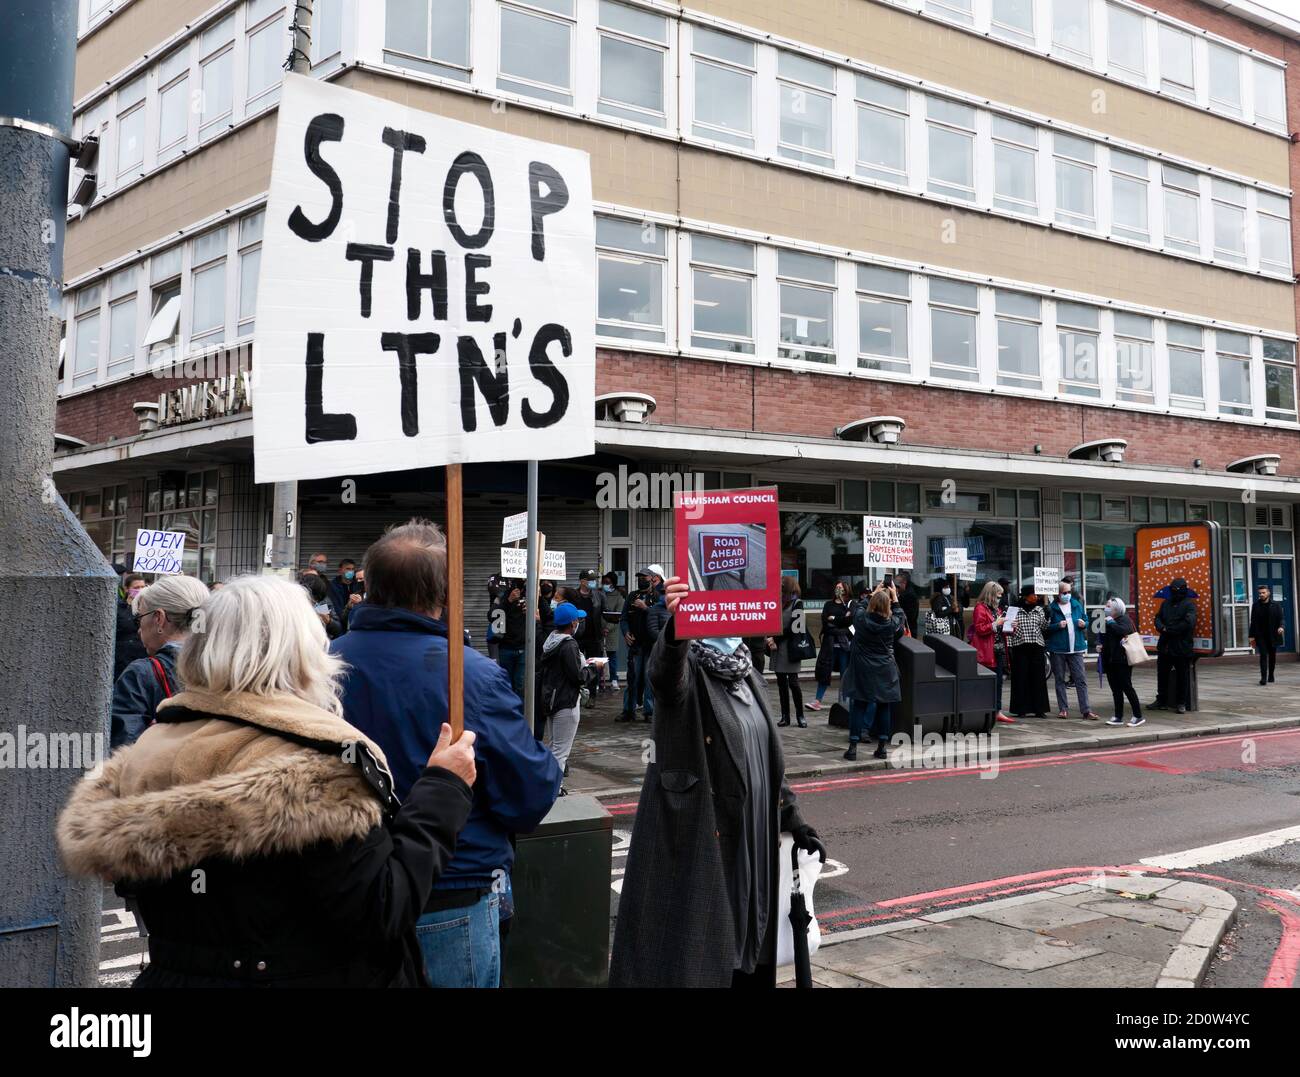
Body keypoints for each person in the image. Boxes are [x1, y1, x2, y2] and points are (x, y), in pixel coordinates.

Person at [58, 574, 477, 988]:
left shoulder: (151, 748)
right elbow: (382, 907)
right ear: (303, 652)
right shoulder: (316, 767)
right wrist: (443, 788)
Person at [330, 520, 561, 988]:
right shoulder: (469, 677)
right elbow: (529, 793)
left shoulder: (317, 664)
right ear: (445, 595)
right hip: (448, 894)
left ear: (368, 585)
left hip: (341, 893)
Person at [609, 576, 826, 988]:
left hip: (755, 846)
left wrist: (794, 819)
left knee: (750, 953)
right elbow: (664, 677)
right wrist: (677, 630)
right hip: (705, 846)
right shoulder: (688, 666)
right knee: (710, 959)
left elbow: (765, 761)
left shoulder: (748, 672)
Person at [109, 575, 210, 750]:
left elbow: (124, 752)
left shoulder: (141, 674)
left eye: (139, 619)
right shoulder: (234, 667)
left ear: (159, 618)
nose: (139, 629)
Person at [841, 585, 907, 760]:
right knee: (884, 706)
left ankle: (853, 748)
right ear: (887, 607)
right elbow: (900, 617)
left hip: (863, 669)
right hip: (885, 669)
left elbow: (859, 607)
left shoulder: (861, 620)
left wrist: (873, 593)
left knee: (860, 705)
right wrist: (895, 598)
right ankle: (882, 748)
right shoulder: (891, 624)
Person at [539, 602, 592, 782]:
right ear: (572, 623)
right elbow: (578, 676)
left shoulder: (551, 641)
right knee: (561, 752)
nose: (579, 623)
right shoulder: (569, 645)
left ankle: (548, 785)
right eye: (577, 620)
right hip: (565, 701)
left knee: (554, 747)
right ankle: (554, 788)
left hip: (553, 699)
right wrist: (594, 668)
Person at [1045, 579, 1100, 720]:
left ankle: (1086, 710)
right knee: (1060, 680)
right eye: (1064, 592)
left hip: (1076, 648)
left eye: (1069, 592)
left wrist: (1084, 624)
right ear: (1058, 594)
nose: (1067, 595)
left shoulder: (1076, 605)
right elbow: (1045, 628)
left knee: (1080, 679)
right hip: (1058, 649)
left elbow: (1085, 620)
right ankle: (1063, 709)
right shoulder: (1052, 608)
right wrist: (1057, 626)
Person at [767, 575, 807, 728]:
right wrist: (768, 638)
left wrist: (775, 639)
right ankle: (785, 716)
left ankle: (800, 715)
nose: (779, 588)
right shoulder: (777, 603)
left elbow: (796, 627)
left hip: (791, 649)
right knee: (781, 684)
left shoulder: (798, 604)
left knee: (794, 683)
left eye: (782, 586)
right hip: (777, 649)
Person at [1153, 577, 1197, 714]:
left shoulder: (1189, 605)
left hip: (1181, 646)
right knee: (1162, 674)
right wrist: (1162, 627)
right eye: (1173, 590)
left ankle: (1181, 703)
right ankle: (1161, 700)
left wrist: (1169, 629)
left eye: (1177, 590)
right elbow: (1157, 618)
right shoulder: (1165, 603)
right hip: (1165, 645)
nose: (1174, 593)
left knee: (1182, 676)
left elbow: (1189, 623)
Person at [1007, 584, 1050, 718]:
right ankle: (1021, 709)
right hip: (1020, 647)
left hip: (1037, 646)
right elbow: (1008, 629)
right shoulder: (1014, 610)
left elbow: (1044, 627)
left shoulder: (1039, 609)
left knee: (1038, 678)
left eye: (1036, 595)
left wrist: (1047, 616)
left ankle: (1039, 709)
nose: (1036, 597)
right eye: (1033, 595)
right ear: (1026, 596)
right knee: (1021, 678)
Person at [1101, 598, 1144, 727]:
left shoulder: (1124, 619)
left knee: (1127, 687)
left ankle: (1138, 716)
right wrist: (1101, 647)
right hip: (1111, 661)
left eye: (1108, 606)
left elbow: (1123, 631)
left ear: (1116, 609)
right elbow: (1108, 640)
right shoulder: (1108, 621)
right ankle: (1118, 716)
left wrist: (1112, 623)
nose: (1106, 608)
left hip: (1122, 661)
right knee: (1116, 689)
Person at [972, 581, 1011, 724]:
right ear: (991, 595)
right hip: (986, 652)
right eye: (998, 595)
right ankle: (985, 711)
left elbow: (1001, 629)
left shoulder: (997, 610)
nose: (1000, 598)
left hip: (998, 651)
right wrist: (996, 624)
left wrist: (1010, 626)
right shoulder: (980, 608)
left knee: (999, 682)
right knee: (986, 684)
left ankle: (997, 711)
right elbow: (980, 629)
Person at [811, 580, 852, 711]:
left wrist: (834, 619)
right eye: (836, 587)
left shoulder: (849, 606)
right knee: (825, 672)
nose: (838, 590)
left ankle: (846, 701)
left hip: (844, 646)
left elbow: (850, 624)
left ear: (846, 590)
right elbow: (826, 624)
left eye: (840, 588)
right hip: (830, 646)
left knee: (845, 674)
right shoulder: (828, 605)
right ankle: (817, 700)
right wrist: (841, 625)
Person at [493, 580, 528, 698]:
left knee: (520, 684)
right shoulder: (502, 598)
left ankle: (519, 713)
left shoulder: (530, 597)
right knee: (506, 683)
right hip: (506, 648)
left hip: (523, 648)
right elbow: (492, 615)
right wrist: (509, 600)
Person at [113, 570, 148, 679]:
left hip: (143, 658)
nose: (140, 590)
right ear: (127, 589)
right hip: (122, 661)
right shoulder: (118, 609)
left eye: (143, 587)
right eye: (137, 587)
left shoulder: (149, 609)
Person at [1249, 584, 1284, 686]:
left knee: (1272, 656)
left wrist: (1281, 627)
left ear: (1268, 593)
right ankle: (1263, 678)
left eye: (1263, 593)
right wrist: (1251, 636)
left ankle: (1271, 675)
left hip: (1273, 634)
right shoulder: (1255, 606)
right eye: (1260, 593)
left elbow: (1281, 618)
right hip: (1260, 635)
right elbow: (1253, 621)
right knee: (1263, 655)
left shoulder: (1276, 605)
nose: (1261, 595)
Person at [573, 570, 606, 666]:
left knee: (595, 666)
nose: (594, 582)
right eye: (591, 580)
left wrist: (606, 626)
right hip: (577, 637)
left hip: (594, 637)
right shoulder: (573, 595)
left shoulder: (599, 595)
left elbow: (605, 612)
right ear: (582, 581)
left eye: (594, 579)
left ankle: (595, 681)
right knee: (577, 665)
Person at [599, 572, 625, 691]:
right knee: (598, 658)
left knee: (612, 656)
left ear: (613, 583)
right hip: (598, 630)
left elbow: (617, 616)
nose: (605, 585)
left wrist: (607, 628)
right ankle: (598, 680)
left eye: (608, 583)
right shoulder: (598, 594)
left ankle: (614, 679)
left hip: (611, 631)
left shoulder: (619, 597)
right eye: (604, 582)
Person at [299, 571, 344, 640]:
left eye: (317, 600)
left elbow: (338, 629)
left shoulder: (324, 601)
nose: (315, 602)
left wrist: (329, 622)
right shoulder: (294, 605)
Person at [894, 570, 920, 638]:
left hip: (908, 631)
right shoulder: (905, 593)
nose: (896, 587)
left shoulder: (908, 595)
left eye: (897, 584)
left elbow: (910, 616)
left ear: (904, 582)